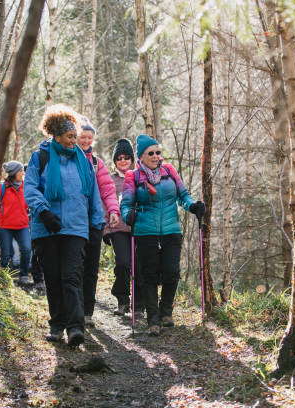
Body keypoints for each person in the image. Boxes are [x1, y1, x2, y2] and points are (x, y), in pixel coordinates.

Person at [24, 104, 105, 347]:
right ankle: (57, 324)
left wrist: (96, 222)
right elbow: (30, 187)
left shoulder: (83, 161)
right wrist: (44, 211)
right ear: (56, 135)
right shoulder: (41, 157)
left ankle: (75, 327)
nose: (74, 141)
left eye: (75, 136)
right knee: (54, 277)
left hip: (76, 228)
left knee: (72, 276)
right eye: (70, 136)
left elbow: (92, 194)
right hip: (46, 228)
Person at [120, 134, 206, 336]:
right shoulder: (133, 176)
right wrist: (128, 216)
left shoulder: (170, 171)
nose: (156, 156)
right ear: (141, 156)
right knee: (148, 276)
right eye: (151, 153)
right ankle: (153, 319)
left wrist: (193, 206)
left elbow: (183, 196)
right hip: (145, 231)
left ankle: (166, 311)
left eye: (158, 152)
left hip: (171, 230)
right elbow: (125, 204)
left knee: (172, 272)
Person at [77, 118, 120, 327]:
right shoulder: (67, 160)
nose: (85, 140)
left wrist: (112, 210)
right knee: (74, 267)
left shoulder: (96, 163)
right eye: (82, 137)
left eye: (89, 137)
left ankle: (87, 313)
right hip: (73, 222)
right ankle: (74, 310)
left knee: (91, 268)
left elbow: (108, 190)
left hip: (95, 221)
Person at [103, 139, 145, 317]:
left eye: (126, 157)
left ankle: (139, 305)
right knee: (122, 263)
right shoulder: (110, 180)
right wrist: (105, 230)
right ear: (115, 161)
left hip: (139, 228)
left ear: (132, 159)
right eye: (119, 158)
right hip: (117, 227)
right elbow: (105, 204)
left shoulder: (140, 177)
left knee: (139, 266)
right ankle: (122, 300)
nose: (123, 161)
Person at [0, 161, 32, 286]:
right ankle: (2, 277)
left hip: (22, 225)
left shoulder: (26, 187)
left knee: (26, 249)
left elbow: (28, 204)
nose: (23, 173)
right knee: (6, 253)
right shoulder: (1, 187)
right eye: (20, 171)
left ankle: (24, 275)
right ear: (14, 173)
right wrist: (0, 218)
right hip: (4, 226)